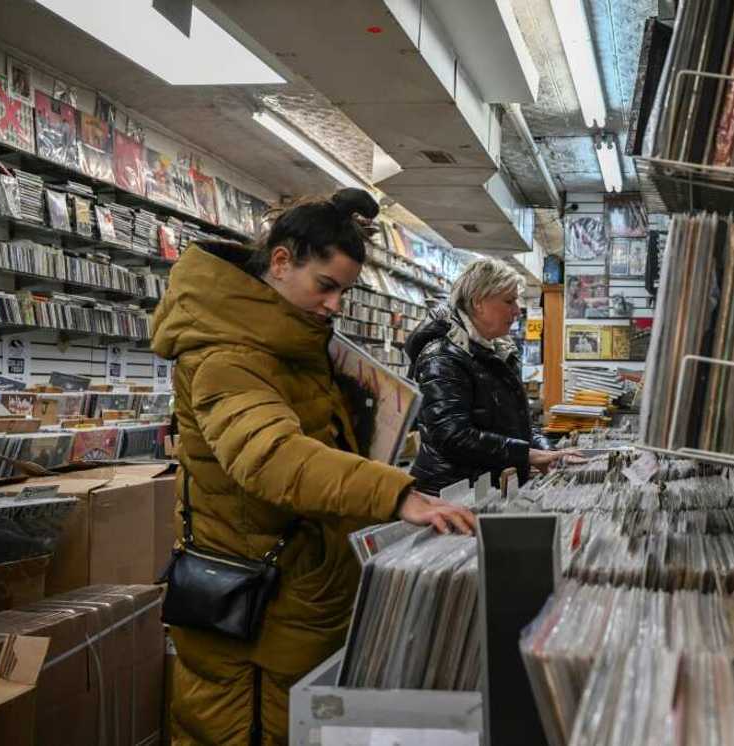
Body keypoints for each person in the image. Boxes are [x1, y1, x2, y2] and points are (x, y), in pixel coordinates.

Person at [151, 189, 475, 745]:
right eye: (325, 286)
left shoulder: (290, 344)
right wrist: (397, 494)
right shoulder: (228, 355)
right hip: (255, 614)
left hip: (296, 596)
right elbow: (271, 457)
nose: (334, 305)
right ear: (281, 262)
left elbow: (314, 437)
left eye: (344, 292)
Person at [405, 258, 572, 495]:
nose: (516, 310)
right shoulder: (442, 357)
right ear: (478, 302)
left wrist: (547, 452)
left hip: (488, 488)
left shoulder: (496, 351)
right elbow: (454, 436)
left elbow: (517, 424)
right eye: (509, 301)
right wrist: (527, 454)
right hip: (452, 495)